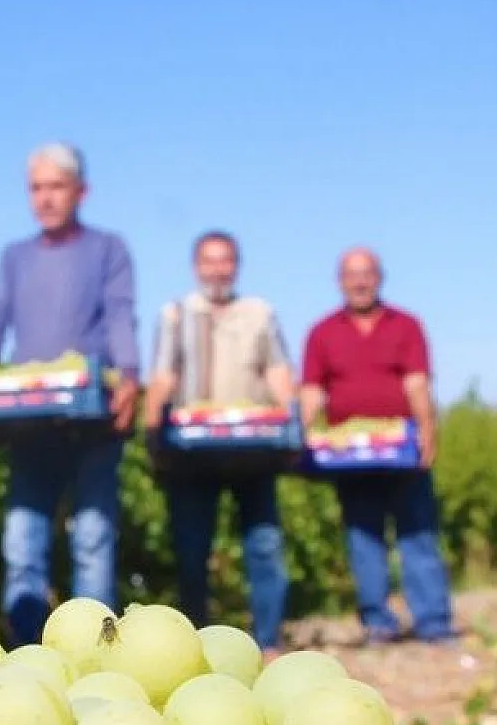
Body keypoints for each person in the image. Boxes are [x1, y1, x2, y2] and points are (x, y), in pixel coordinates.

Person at [0, 142, 142, 646]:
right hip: (30, 422)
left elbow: (120, 313)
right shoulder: (14, 258)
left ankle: (97, 648)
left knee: (93, 536)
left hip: (92, 418)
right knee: (23, 536)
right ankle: (24, 649)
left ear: (81, 191)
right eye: (36, 188)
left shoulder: (108, 249)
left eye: (56, 187)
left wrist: (129, 375)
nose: (45, 198)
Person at [143, 231, 295, 660]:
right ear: (197, 267)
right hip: (192, 454)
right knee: (192, 550)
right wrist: (152, 429)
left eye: (225, 261)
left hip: (253, 451)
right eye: (209, 261)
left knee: (264, 544)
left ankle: (269, 639)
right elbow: (163, 375)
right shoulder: (176, 314)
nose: (217, 270)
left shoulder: (259, 313)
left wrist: (293, 419)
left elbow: (277, 371)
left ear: (236, 266)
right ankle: (194, 641)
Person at [300, 247, 455, 644]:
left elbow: (417, 383)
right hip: (349, 457)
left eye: (367, 273)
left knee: (418, 533)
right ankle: (378, 623)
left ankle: (433, 622)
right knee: (363, 537)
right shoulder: (323, 332)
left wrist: (427, 428)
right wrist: (299, 433)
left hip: (401, 450)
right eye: (352, 274)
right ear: (340, 281)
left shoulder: (406, 325)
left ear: (379, 277)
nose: (360, 282)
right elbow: (313, 392)